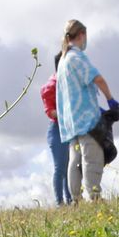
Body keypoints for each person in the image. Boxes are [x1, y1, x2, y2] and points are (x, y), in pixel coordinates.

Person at [55, 20, 117, 202]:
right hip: (86, 119)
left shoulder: (63, 61)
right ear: (81, 35)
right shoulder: (77, 57)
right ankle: (95, 197)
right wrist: (110, 99)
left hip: (71, 121)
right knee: (92, 157)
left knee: (74, 160)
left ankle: (76, 199)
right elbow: (97, 78)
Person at [41, 52, 71, 206]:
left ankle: (71, 201)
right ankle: (60, 203)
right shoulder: (50, 86)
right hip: (57, 130)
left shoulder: (70, 84)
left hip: (70, 128)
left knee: (70, 167)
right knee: (61, 167)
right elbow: (50, 111)